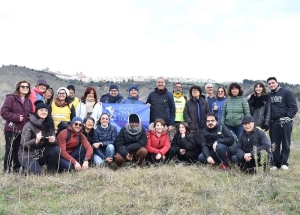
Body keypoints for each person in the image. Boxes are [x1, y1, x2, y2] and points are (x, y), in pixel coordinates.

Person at [18, 101, 60, 174]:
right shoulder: (28, 125)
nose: (44, 112)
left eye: (46, 110)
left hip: (40, 154)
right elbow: (23, 145)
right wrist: (36, 140)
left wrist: (53, 141)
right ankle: (26, 168)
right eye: (41, 110)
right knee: (36, 172)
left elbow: (55, 141)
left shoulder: (50, 124)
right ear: (36, 111)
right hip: (27, 155)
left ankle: (49, 171)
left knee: (56, 149)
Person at [1, 80, 32, 173]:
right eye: (23, 86)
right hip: (11, 129)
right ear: (18, 87)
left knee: (18, 151)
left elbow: (28, 114)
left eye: (27, 87)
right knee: (10, 150)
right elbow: (3, 112)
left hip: (23, 130)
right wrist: (17, 117)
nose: (25, 88)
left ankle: (16, 169)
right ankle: (7, 170)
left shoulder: (28, 101)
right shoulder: (11, 98)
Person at [267, 77, 298, 170]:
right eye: (269, 83)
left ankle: (284, 162)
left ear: (277, 83)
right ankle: (276, 163)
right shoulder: (268, 96)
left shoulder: (286, 93)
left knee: (286, 142)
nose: (271, 85)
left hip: (285, 121)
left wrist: (288, 117)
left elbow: (293, 107)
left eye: (273, 83)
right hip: (273, 122)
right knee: (274, 144)